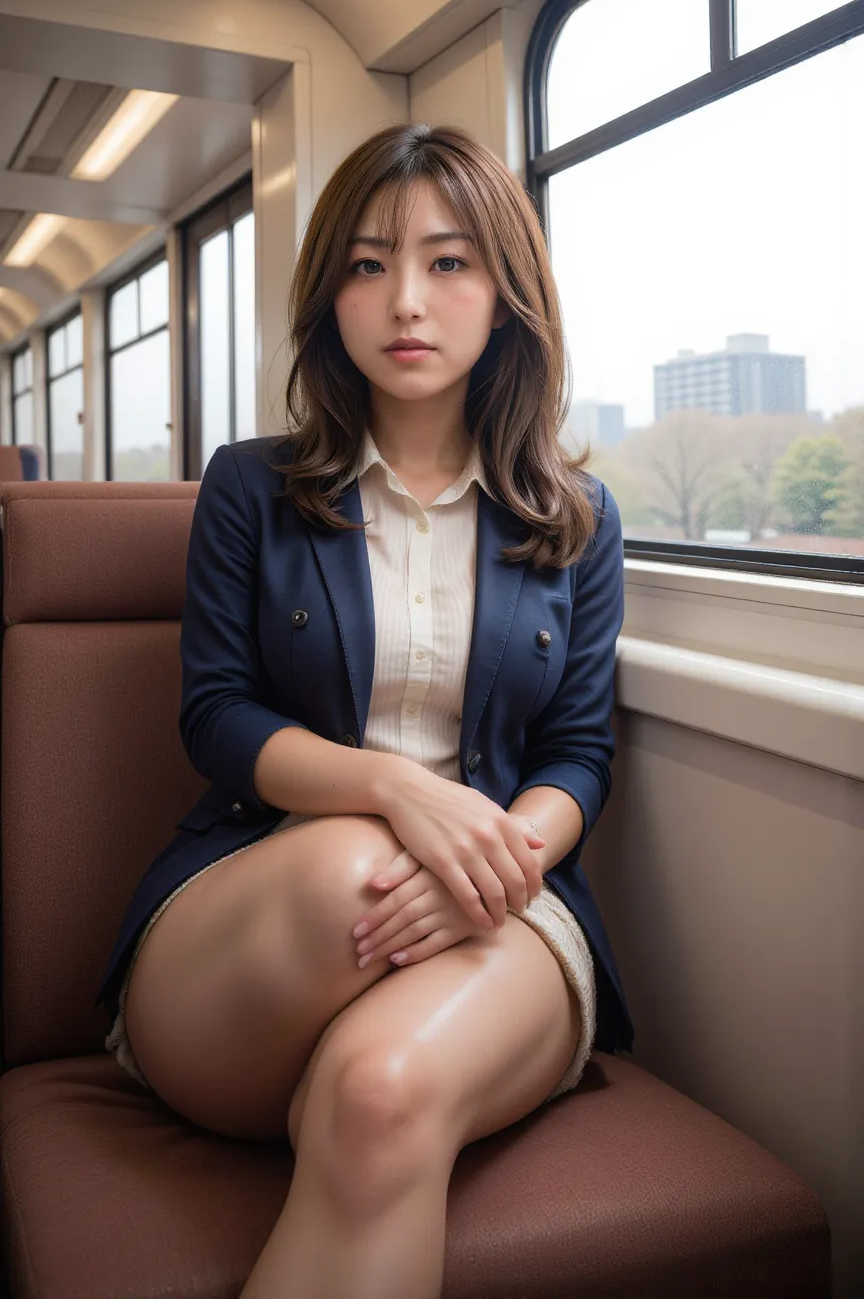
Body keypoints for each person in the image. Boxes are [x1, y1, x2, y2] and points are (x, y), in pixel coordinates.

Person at [96, 122, 632, 1299]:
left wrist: (489, 861)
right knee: (351, 863)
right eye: (367, 263)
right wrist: (401, 794)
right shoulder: (252, 484)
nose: (406, 300)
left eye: (448, 263)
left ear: (507, 295)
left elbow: (580, 755)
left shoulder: (578, 517)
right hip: (274, 899)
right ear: (329, 293)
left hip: (500, 911)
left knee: (380, 1093)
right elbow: (217, 715)